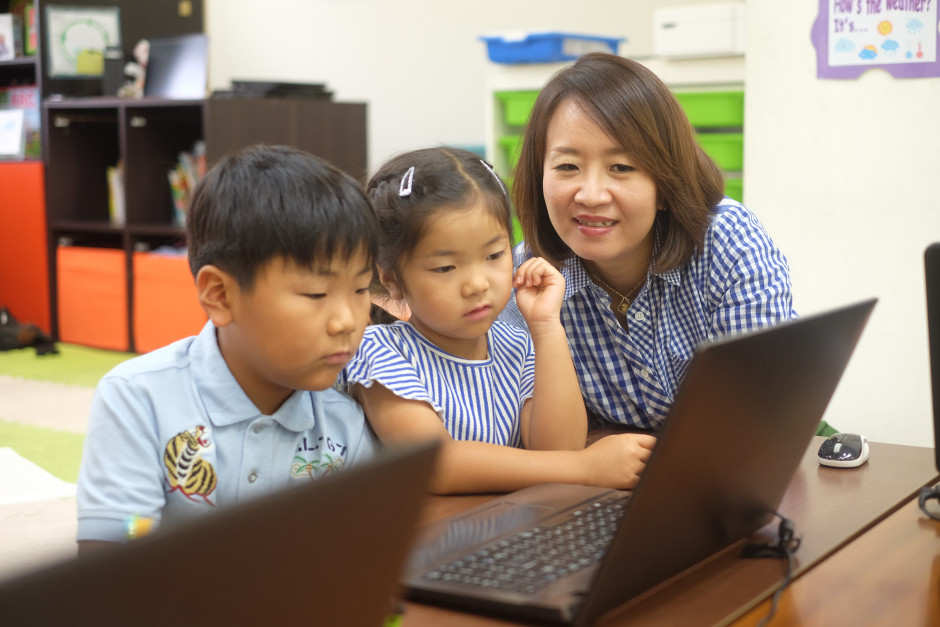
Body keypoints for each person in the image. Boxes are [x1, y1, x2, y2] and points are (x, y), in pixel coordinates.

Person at [76, 145, 380, 553]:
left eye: (361, 290)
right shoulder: (139, 399)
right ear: (219, 295)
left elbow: (357, 554)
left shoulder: (344, 425)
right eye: (315, 293)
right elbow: (111, 559)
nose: (347, 320)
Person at [500, 53, 796, 449]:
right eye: (567, 166)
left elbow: (759, 411)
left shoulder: (725, 239)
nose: (590, 195)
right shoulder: (524, 276)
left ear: (666, 182)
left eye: (621, 167)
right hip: (604, 483)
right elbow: (538, 443)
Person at [344, 147, 654, 494]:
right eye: (446, 267)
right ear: (392, 280)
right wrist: (585, 468)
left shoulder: (515, 344)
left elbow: (558, 450)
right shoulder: (379, 352)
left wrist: (547, 327)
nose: (478, 284)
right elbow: (434, 465)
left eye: (494, 255)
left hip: (507, 527)